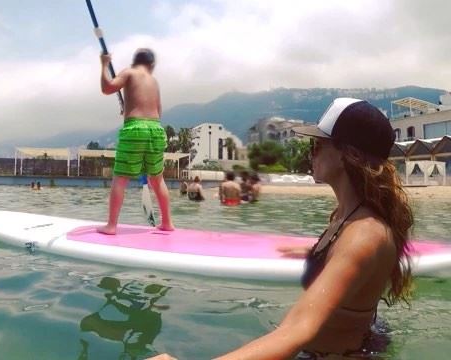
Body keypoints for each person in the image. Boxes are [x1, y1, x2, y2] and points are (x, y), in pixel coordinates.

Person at [148, 98, 414, 359]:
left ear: (350, 155)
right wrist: (311, 253)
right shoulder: (346, 219)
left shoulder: (363, 236)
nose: (311, 153)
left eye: (317, 145)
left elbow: (297, 331)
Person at [96, 48, 174, 235]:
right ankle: (167, 223)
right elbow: (158, 110)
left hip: (135, 129)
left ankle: (112, 226)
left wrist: (104, 65)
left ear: (134, 62)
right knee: (157, 179)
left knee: (120, 178)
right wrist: (131, 108)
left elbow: (107, 88)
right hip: (156, 129)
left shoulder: (129, 73)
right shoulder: (154, 81)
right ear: (152, 65)